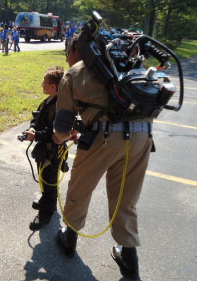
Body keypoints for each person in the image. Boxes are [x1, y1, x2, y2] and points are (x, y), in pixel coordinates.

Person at [52, 35, 153, 281]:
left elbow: (62, 129)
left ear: (77, 50)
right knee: (125, 198)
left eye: (67, 52)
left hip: (104, 138)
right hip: (142, 136)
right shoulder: (126, 64)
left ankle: (70, 237)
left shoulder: (74, 73)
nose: (67, 58)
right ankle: (129, 260)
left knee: (80, 187)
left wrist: (57, 138)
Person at [22, 66, 65, 231]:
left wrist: (36, 135)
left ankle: (46, 212)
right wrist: (33, 128)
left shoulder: (59, 106)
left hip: (51, 151)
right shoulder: (47, 101)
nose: (42, 85)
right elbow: (37, 117)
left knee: (49, 181)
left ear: (53, 87)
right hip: (43, 148)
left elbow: (53, 132)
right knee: (43, 178)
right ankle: (47, 199)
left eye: (44, 82)